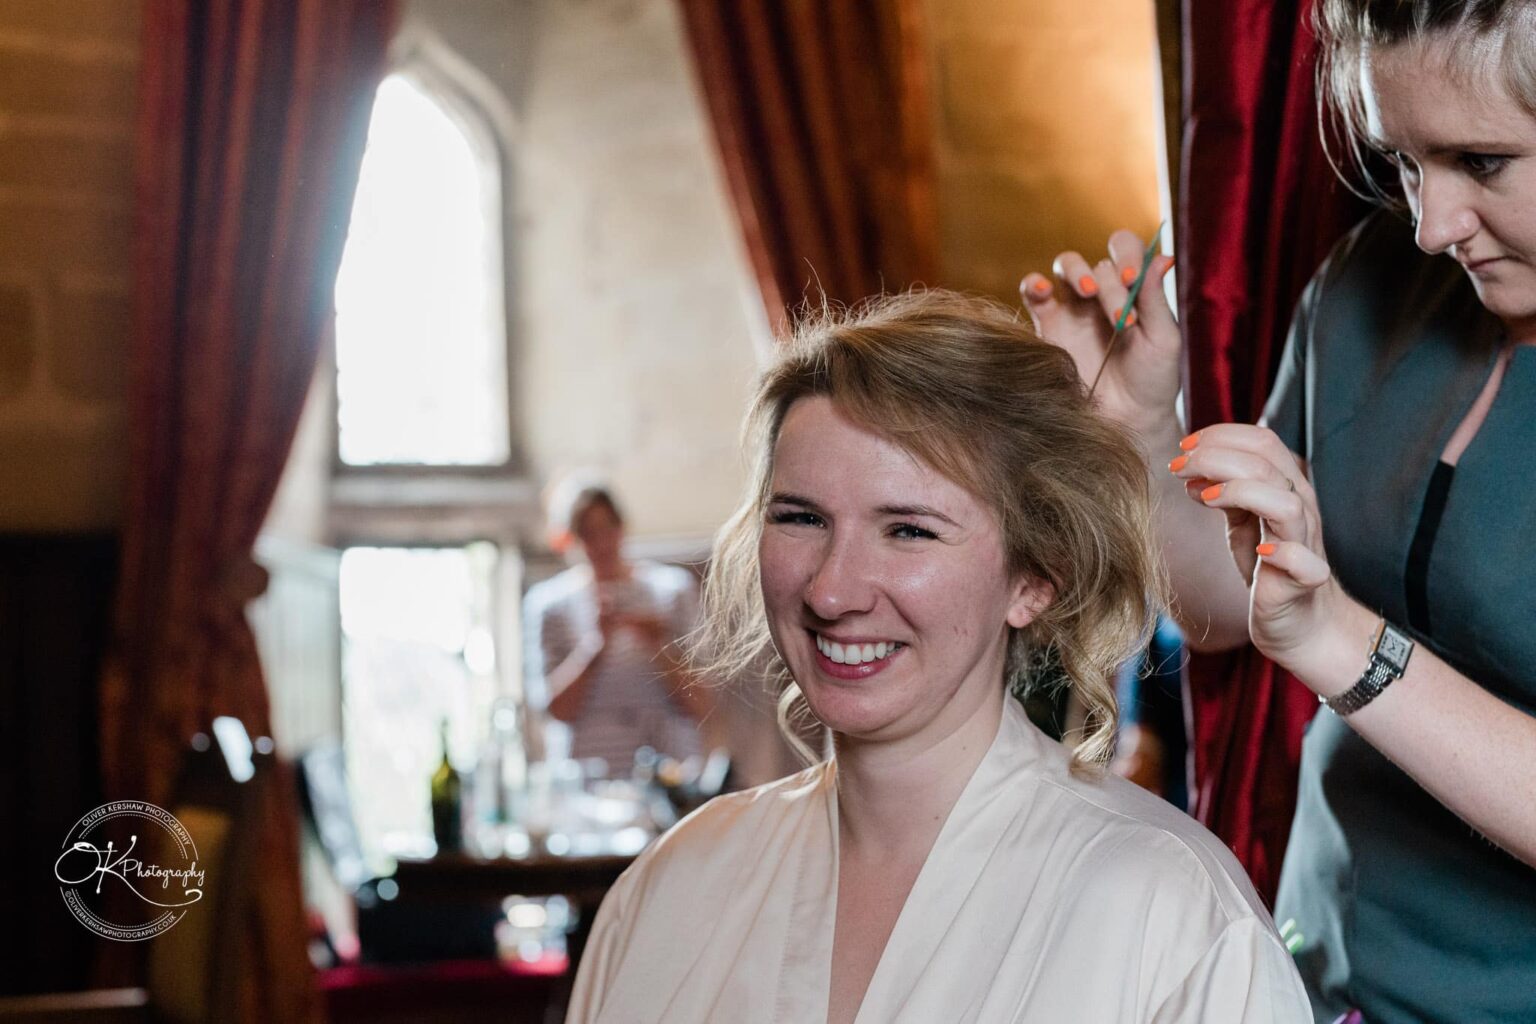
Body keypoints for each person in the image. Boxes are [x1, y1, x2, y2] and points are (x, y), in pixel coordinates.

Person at [566, 292, 1310, 1023]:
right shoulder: (671, 889)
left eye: (909, 530)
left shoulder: (1170, 910)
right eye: (800, 518)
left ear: (1034, 577)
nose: (832, 591)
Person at [1020, 2, 1536, 1019]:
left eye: (1482, 162)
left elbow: (1317, 634)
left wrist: (1342, 641)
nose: (1431, 226)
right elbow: (1231, 611)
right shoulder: (1364, 284)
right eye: (1402, 161)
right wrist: (1131, 433)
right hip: (1306, 974)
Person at [522, 475, 712, 774]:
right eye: (587, 533)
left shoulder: (671, 591)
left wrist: (658, 646)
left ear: (621, 527)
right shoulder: (549, 604)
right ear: (570, 538)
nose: (600, 544)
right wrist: (595, 646)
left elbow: (702, 703)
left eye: (606, 529)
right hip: (588, 775)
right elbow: (555, 709)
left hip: (670, 773)